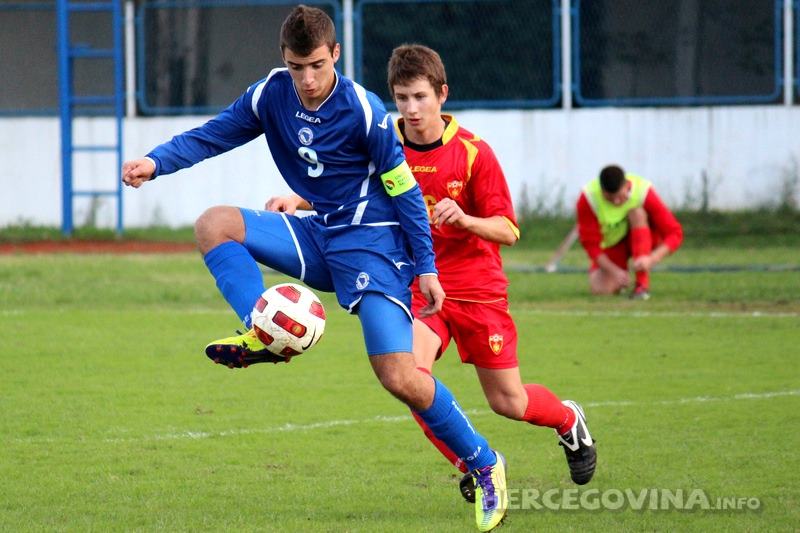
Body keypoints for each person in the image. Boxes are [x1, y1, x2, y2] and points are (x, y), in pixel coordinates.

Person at [121, 7, 506, 531]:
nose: (306, 79)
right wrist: (156, 161)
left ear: (336, 56)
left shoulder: (365, 111)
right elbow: (214, 134)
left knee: (398, 376)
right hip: (321, 232)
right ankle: (261, 329)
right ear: (284, 60)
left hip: (374, 247)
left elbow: (406, 193)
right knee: (215, 224)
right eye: (297, 66)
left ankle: (484, 463)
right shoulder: (269, 94)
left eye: (317, 66)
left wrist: (427, 267)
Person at [268, 43, 597, 505]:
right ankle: (474, 462)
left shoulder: (472, 154)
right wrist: (296, 199)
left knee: (510, 402)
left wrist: (465, 220)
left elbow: (508, 230)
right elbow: (347, 186)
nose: (411, 109)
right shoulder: (383, 138)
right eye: (402, 98)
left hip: (478, 289)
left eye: (420, 97)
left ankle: (567, 420)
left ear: (442, 94)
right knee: (410, 376)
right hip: (419, 284)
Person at [576, 165, 683, 299]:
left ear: (627, 185)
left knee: (637, 213)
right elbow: (591, 244)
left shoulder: (643, 191)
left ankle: (641, 285)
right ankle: (623, 277)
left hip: (647, 238)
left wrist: (652, 258)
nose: (616, 201)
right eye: (610, 198)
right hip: (614, 243)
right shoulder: (588, 198)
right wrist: (614, 271)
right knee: (600, 289)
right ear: (602, 191)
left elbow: (674, 232)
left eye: (620, 196)